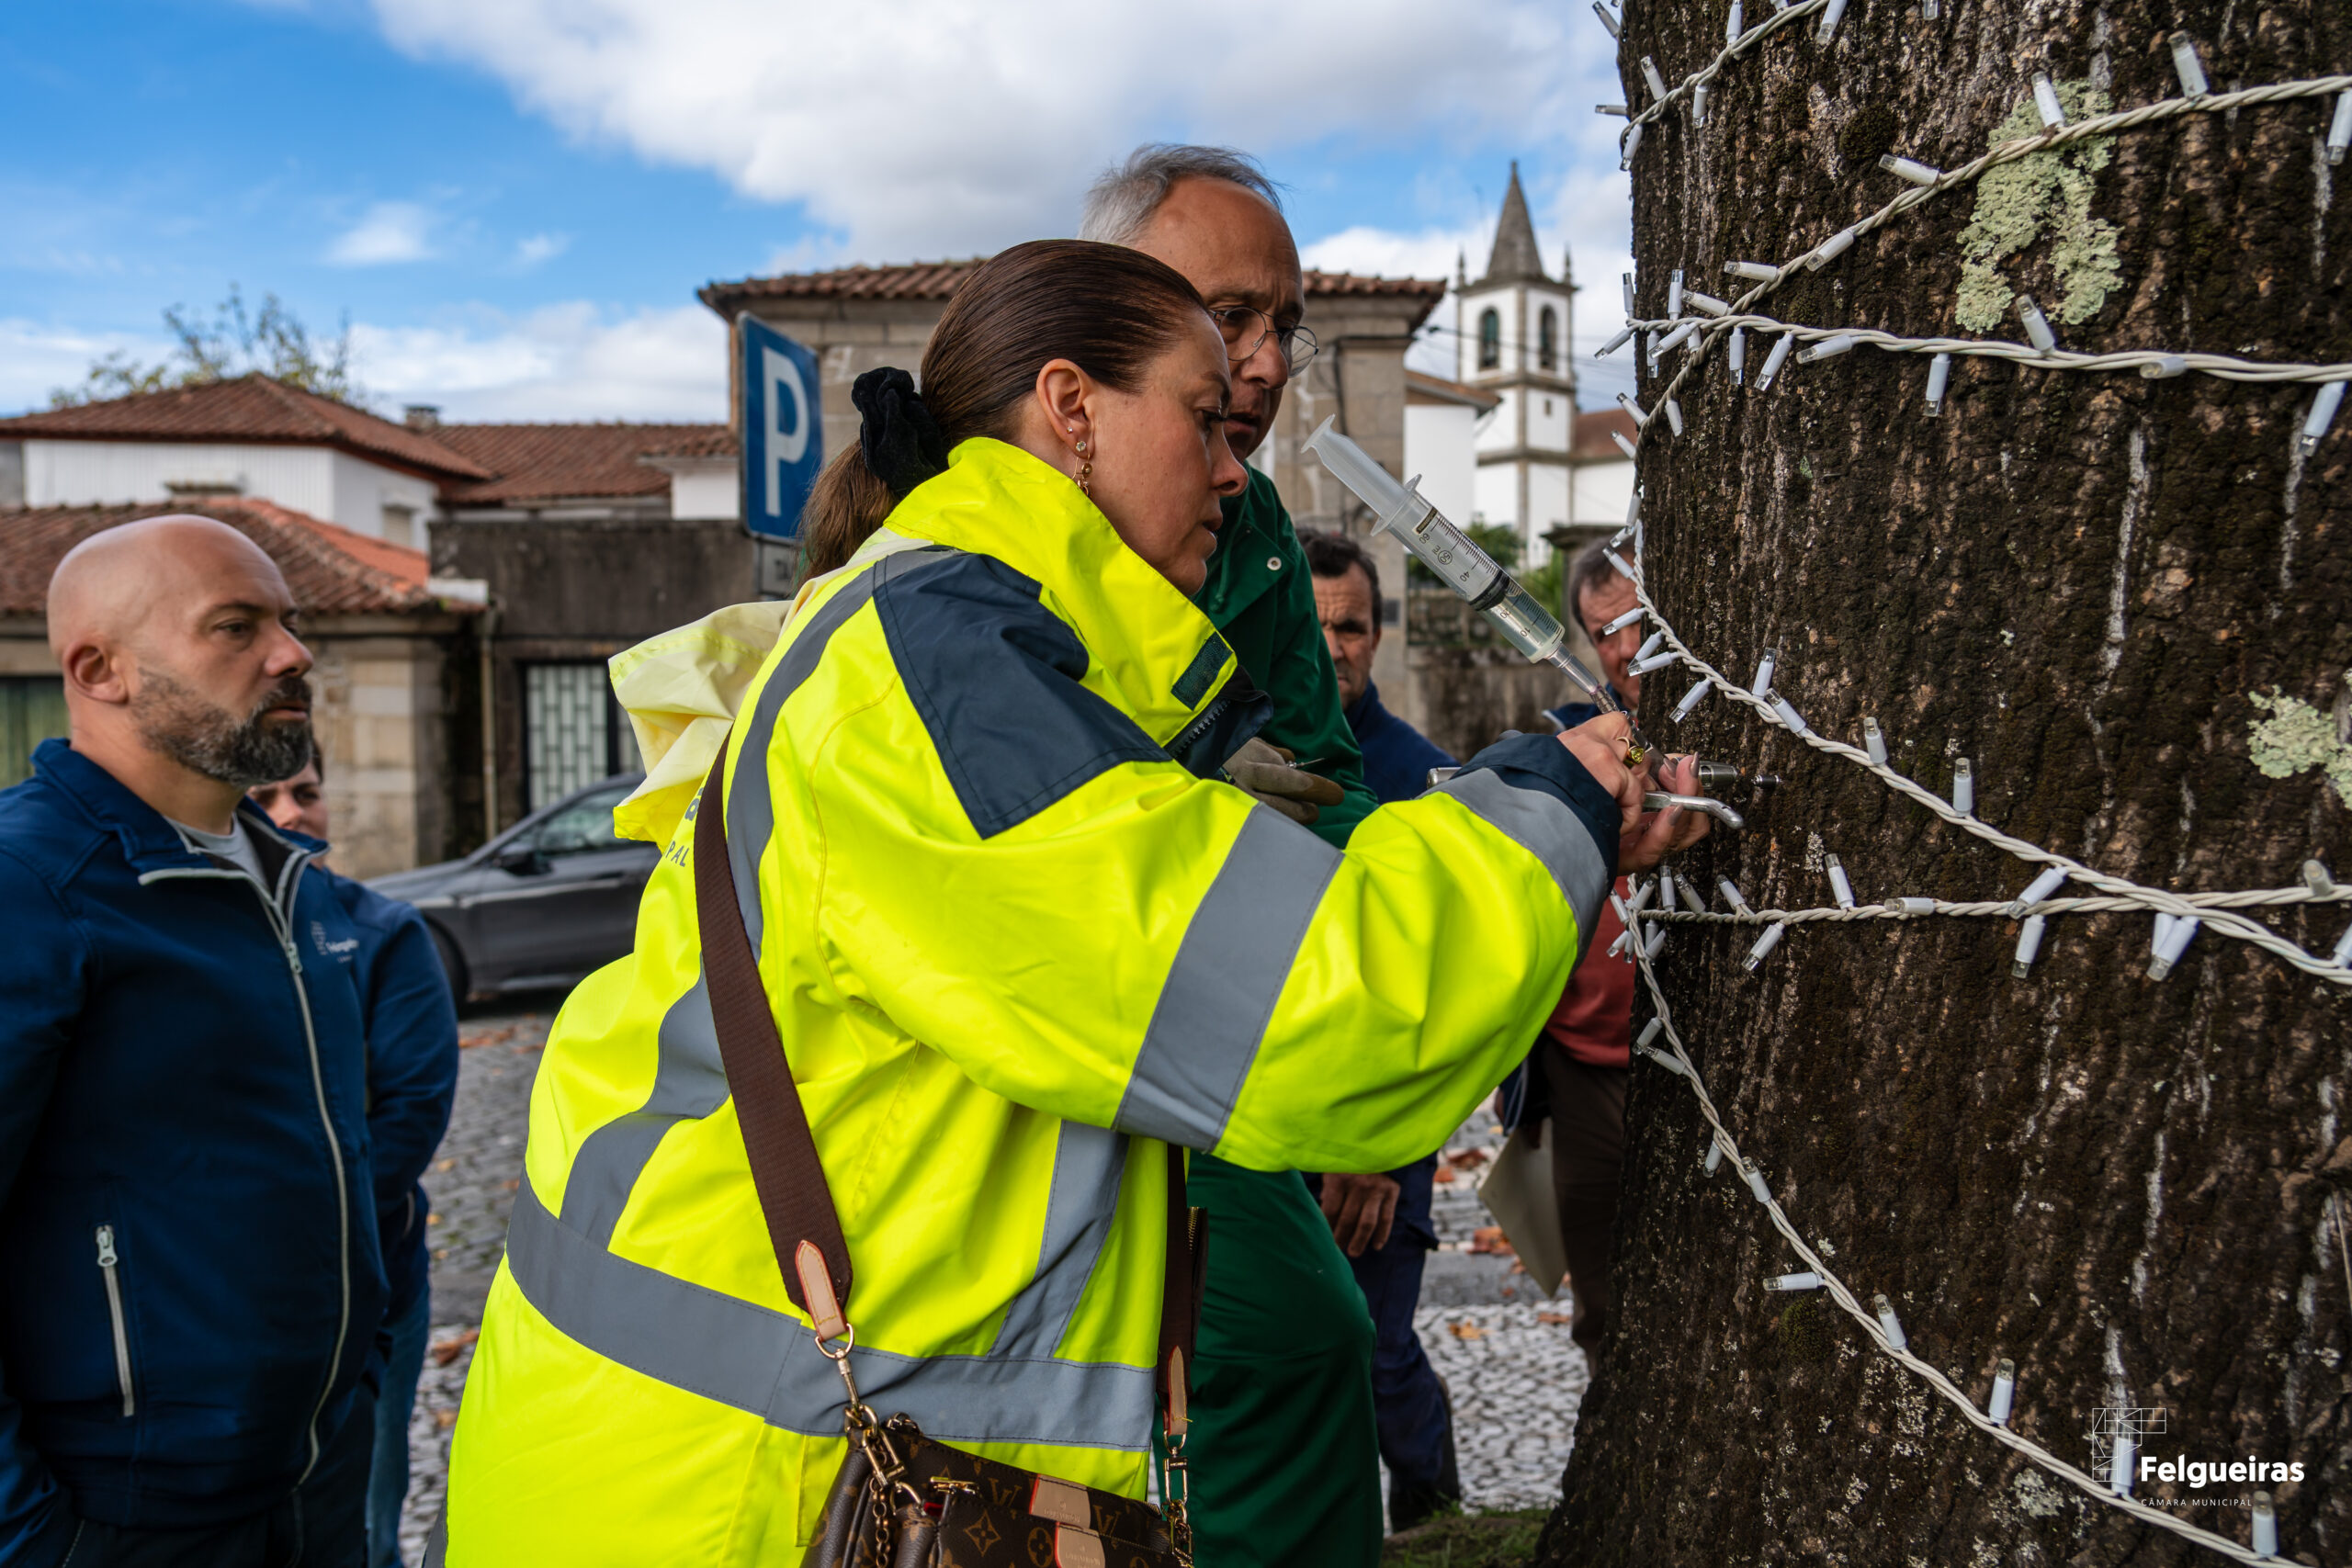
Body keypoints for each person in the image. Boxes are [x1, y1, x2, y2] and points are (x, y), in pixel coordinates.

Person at [439, 239, 1690, 1562]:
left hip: (712, 1456)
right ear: (1071, 406)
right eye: (1205, 417)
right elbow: (1326, 1008)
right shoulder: (942, 674)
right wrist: (1550, 797)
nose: (1233, 466)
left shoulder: (949, 640)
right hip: (729, 1491)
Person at [1081, 143, 1395, 1562]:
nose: (1263, 364)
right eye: (1227, 316)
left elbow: (1316, 787)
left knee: (1306, 1342)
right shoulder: (971, 519)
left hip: (1212, 1055)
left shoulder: (1254, 519)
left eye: (1286, 324)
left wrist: (1355, 1107)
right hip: (1053, 1055)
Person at [0, 514, 385, 1566]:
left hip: (314, 1484)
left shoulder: (291, 882)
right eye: (236, 626)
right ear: (101, 670)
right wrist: (33, 1537)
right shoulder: (28, 887)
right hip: (122, 1518)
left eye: (289, 622)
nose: (293, 652)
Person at [251, 752, 459, 1568]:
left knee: (371, 1510)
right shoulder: (180, 941)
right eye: (264, 795)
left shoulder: (382, 933)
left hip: (371, 1288)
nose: (292, 811)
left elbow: (412, 1115)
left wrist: (296, 1231)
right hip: (221, 1309)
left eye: (306, 792)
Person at [1299, 528, 1462, 1528]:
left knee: (1374, 1341)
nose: (1333, 647)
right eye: (1311, 627)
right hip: (1268, 1118)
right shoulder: (1247, 756)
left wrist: (1375, 1150)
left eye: (1350, 627)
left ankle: (1432, 1509)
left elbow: (1434, 993)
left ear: (1378, 635)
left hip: (1379, 1125)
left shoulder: (1422, 780)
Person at [1513, 542, 1652, 1363]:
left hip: (1677, 1054)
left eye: (1634, 623)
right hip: (1578, 1057)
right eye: (1604, 633)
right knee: (1598, 1276)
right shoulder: (1565, 746)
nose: (1624, 649)